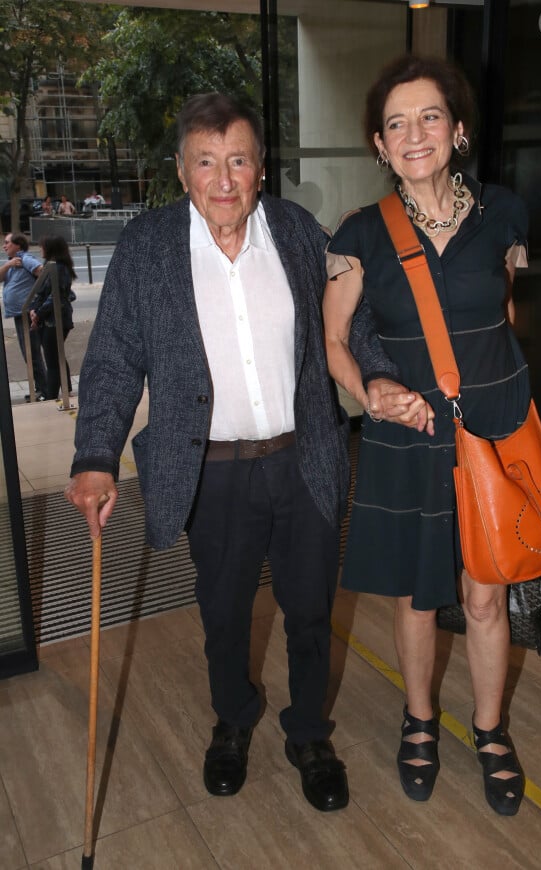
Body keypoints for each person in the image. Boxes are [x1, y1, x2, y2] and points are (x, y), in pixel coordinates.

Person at [64, 93, 384, 813]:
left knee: (309, 613)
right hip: (212, 472)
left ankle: (308, 734)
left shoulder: (300, 234)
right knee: (224, 615)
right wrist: (94, 454)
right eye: (206, 162)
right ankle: (232, 723)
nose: (223, 179)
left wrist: (382, 379)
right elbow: (114, 358)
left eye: (238, 160)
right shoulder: (148, 249)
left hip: (304, 461)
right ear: (183, 173)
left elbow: (350, 323)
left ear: (260, 169)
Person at [323, 55, 529, 816]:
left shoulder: (505, 215)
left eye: (430, 116)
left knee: (486, 593)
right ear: (380, 144)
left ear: (460, 129)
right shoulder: (359, 236)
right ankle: (419, 721)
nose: (415, 134)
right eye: (397, 123)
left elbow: (505, 315)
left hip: (493, 430)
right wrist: (370, 393)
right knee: (417, 594)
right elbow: (335, 341)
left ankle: (490, 730)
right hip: (409, 436)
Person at [0, 232, 47, 399]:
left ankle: (44, 390)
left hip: (27, 313)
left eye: (7, 243)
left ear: (18, 245)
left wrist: (36, 300)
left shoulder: (25, 259)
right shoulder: (13, 262)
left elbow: (42, 272)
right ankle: (42, 387)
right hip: (19, 314)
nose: (4, 246)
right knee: (29, 354)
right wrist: (9, 265)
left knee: (31, 353)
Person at [30, 235, 75, 399]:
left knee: (52, 360)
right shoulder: (50, 266)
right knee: (57, 355)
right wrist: (33, 309)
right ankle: (66, 390)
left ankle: (51, 396)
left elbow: (56, 296)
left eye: (43, 246)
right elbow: (40, 292)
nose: (40, 249)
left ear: (51, 249)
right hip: (48, 319)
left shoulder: (59, 268)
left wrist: (38, 313)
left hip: (55, 320)